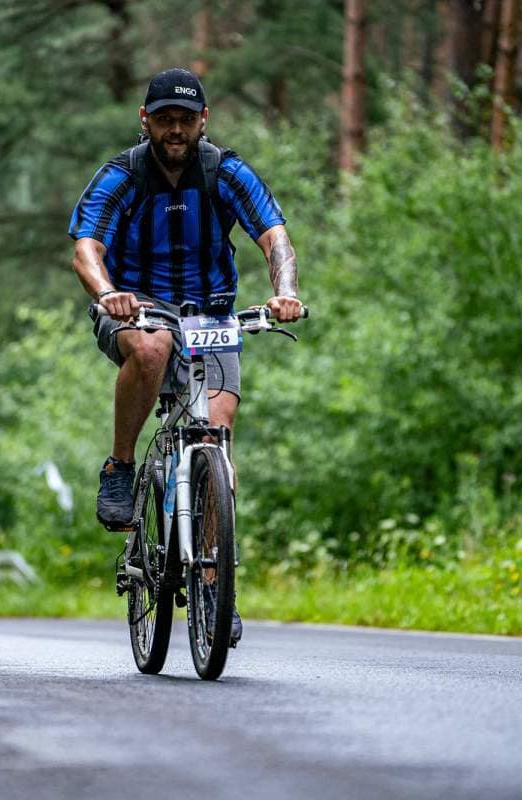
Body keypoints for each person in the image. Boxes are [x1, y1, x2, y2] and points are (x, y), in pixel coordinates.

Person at [69, 68, 303, 644]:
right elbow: (86, 248)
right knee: (152, 349)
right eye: (164, 119)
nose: (175, 129)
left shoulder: (224, 171)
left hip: (211, 315)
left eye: (185, 119)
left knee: (216, 438)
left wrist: (285, 291)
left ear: (203, 120)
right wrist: (107, 293)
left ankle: (214, 586)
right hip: (137, 307)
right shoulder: (123, 174)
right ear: (145, 120)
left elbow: (274, 236)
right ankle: (121, 466)